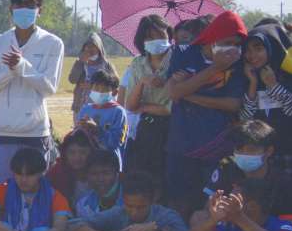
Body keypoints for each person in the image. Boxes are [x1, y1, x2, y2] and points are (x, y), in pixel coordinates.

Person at [0, 0, 64, 188]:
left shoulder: (52, 43)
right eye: (19, 6)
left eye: (30, 6)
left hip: (34, 131)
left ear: (39, 10)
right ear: (11, 9)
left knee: (34, 190)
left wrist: (22, 66)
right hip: (2, 130)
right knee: (2, 191)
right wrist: (10, 71)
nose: (24, 11)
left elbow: (49, 87)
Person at [165, 11, 250, 212]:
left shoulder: (237, 63)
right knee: (179, 200)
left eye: (237, 44)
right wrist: (214, 69)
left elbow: (233, 104)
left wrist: (188, 94)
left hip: (216, 145)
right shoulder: (185, 53)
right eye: (227, 42)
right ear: (212, 40)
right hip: (182, 142)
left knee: (211, 201)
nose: (233, 48)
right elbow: (173, 92)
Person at [69, 171, 187, 231]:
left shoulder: (167, 216)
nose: (134, 212)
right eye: (129, 206)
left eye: (141, 207)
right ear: (123, 200)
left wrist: (157, 229)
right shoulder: (118, 213)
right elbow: (73, 226)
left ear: (153, 201)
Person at [197, 120, 290, 219]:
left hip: (272, 226)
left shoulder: (283, 181)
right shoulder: (226, 169)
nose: (244, 154)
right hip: (229, 224)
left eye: (252, 149)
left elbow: (287, 221)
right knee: (199, 217)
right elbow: (206, 210)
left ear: (269, 151)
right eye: (239, 149)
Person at [123, 15, 174, 180]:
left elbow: (170, 109)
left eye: (160, 35)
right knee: (143, 176)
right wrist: (142, 83)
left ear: (169, 35)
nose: (156, 40)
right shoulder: (138, 64)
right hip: (146, 128)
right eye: (150, 37)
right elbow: (130, 105)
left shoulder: (177, 61)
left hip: (172, 128)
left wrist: (144, 107)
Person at [241, 24, 292, 151]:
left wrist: (273, 86)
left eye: (258, 49)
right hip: (260, 152)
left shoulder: (288, 74)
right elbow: (245, 119)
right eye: (248, 50)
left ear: (271, 47)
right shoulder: (246, 76)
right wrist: (253, 84)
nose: (252, 55)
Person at [76, 66, 126, 168]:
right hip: (87, 162)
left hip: (109, 162)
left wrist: (97, 130)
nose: (99, 92)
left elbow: (117, 142)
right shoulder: (85, 109)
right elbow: (77, 137)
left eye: (104, 90)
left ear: (114, 92)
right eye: (96, 88)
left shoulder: (118, 112)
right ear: (90, 89)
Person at [47, 128, 96, 206]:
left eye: (83, 152)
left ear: (91, 153)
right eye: (72, 152)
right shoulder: (56, 174)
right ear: (65, 154)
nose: (77, 157)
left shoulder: (100, 173)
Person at [68, 32, 109, 120]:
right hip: (80, 106)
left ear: (99, 48)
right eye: (87, 46)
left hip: (99, 107)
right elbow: (72, 79)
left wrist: (92, 86)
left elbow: (113, 84)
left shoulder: (106, 65)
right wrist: (80, 63)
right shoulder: (80, 63)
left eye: (93, 46)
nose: (90, 49)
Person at [74, 149, 123, 218]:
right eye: (94, 174)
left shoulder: (131, 199)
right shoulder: (82, 205)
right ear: (87, 176)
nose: (100, 179)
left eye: (106, 173)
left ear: (117, 174)